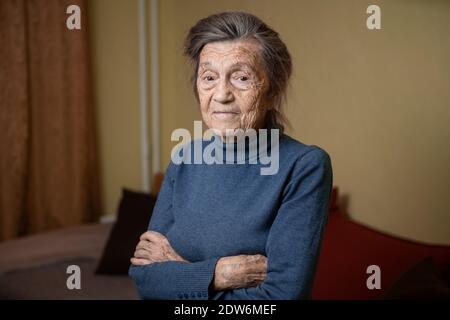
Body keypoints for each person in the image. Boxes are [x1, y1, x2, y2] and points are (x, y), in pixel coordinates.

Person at [129, 11, 333, 300]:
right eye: (209, 77)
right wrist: (221, 274)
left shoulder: (304, 166)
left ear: (273, 91)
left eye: (241, 77)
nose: (222, 93)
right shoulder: (184, 158)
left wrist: (181, 273)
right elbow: (145, 281)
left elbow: (279, 299)